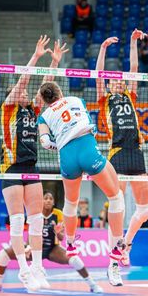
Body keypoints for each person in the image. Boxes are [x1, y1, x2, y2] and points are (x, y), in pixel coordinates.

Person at [37, 81, 126, 275]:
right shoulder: (76, 100)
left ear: (44, 100)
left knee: (71, 203)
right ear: (60, 92)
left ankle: (70, 244)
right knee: (115, 197)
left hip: (67, 157)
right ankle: (117, 247)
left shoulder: (44, 116)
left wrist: (60, 144)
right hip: (87, 149)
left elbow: (44, 142)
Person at [0, 35, 68, 291]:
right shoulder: (8, 108)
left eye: (27, 93)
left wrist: (54, 62)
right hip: (11, 167)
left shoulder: (34, 110)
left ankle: (38, 267)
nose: (26, 93)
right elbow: (24, 81)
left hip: (31, 166)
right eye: (21, 92)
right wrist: (36, 56)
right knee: (18, 221)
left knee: (37, 220)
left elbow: (46, 87)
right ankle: (24, 270)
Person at [96, 29, 148, 285]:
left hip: (136, 152)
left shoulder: (130, 95)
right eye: (114, 80)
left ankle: (125, 245)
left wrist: (132, 41)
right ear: (109, 85)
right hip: (117, 153)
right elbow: (98, 74)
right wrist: (103, 48)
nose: (118, 82)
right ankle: (113, 265)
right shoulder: (104, 100)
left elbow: (134, 68)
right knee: (118, 206)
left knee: (145, 210)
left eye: (121, 80)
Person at [0, 191, 103, 294]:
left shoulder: (58, 214)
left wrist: (58, 232)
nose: (48, 200)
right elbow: (30, 232)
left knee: (75, 259)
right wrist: (28, 246)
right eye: (45, 198)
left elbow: (61, 238)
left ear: (53, 202)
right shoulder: (35, 212)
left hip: (52, 249)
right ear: (41, 201)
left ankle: (93, 285)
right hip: (33, 248)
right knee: (3, 254)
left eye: (51, 199)